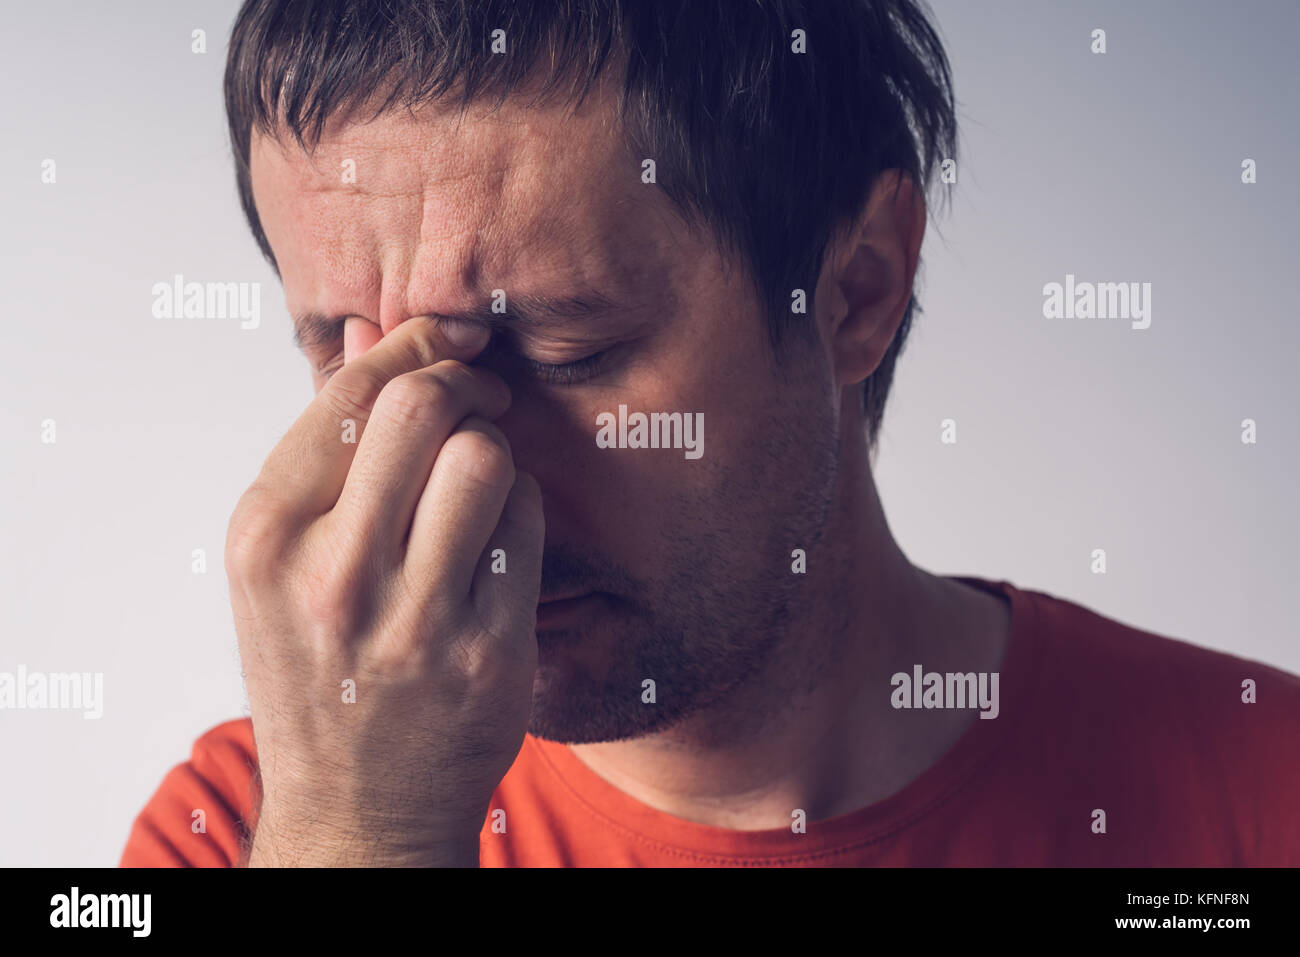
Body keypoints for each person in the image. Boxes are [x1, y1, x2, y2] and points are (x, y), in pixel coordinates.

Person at [120, 0, 1300, 867]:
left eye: (563, 352)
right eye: (346, 352)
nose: (449, 472)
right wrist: (363, 840)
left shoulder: (1265, 791)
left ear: (856, 289)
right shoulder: (247, 829)